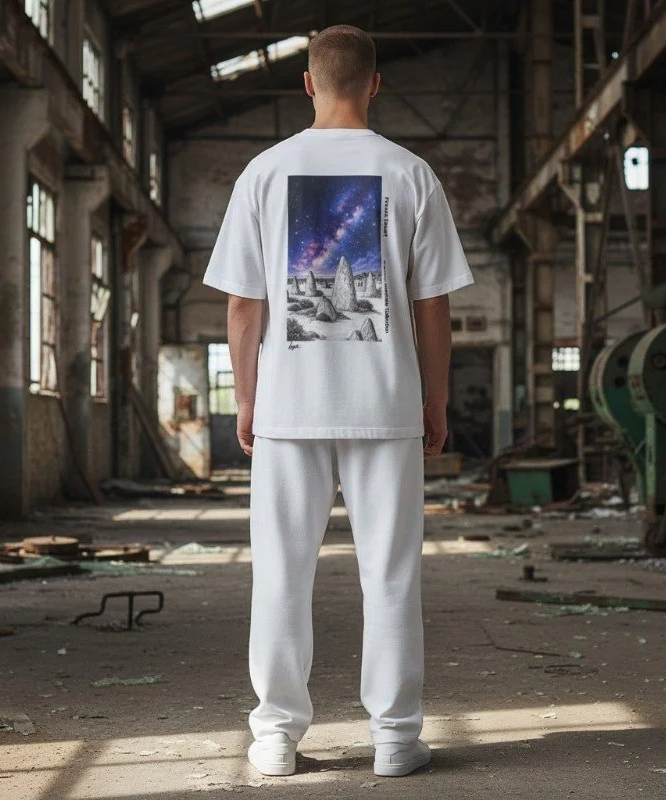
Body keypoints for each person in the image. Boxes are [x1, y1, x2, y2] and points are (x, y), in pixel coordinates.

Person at [202, 24, 473, 779]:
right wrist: (435, 401)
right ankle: (394, 739)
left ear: (308, 83)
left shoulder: (263, 172)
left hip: (289, 409)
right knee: (389, 572)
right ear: (376, 84)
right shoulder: (410, 172)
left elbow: (243, 308)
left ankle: (276, 737)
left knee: (281, 572)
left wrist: (248, 403)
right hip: (386, 405)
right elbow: (433, 308)